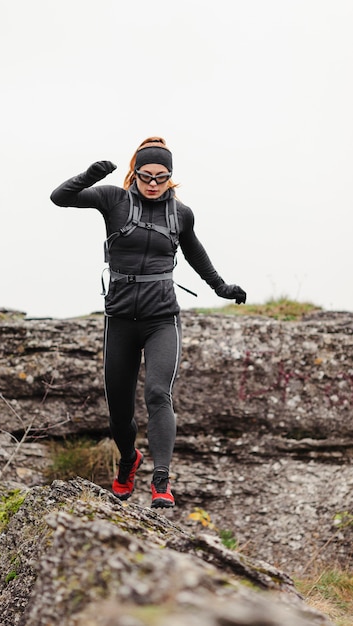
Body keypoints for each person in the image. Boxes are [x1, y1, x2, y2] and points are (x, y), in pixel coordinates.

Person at [50, 137, 246, 508]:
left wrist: (221, 287)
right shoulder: (113, 199)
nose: (154, 183)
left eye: (162, 176)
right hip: (120, 319)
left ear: (171, 177)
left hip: (162, 319)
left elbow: (196, 254)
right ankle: (129, 461)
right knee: (119, 410)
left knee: (158, 393)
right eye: (146, 175)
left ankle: (161, 480)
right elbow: (59, 197)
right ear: (134, 172)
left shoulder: (180, 214)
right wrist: (89, 176)